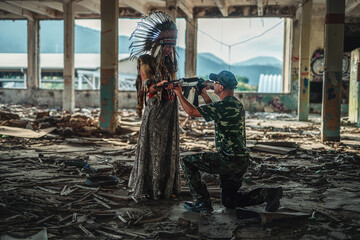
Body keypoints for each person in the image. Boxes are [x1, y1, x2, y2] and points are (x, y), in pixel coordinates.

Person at [170, 70, 283, 213]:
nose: (213, 84)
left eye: (215, 83)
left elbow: (192, 112)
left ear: (221, 88)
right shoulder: (234, 104)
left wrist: (179, 93)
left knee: (187, 162)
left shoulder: (223, 106)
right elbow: (214, 112)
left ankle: (202, 202)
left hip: (228, 158)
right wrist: (204, 94)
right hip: (240, 160)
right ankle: (269, 193)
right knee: (230, 201)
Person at [127, 11, 181, 200]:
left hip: (170, 111)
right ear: (158, 44)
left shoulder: (170, 62)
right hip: (156, 111)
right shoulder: (146, 61)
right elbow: (148, 86)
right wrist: (161, 86)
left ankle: (166, 187)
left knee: (168, 149)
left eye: (172, 46)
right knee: (154, 150)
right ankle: (150, 188)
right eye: (166, 45)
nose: (169, 49)